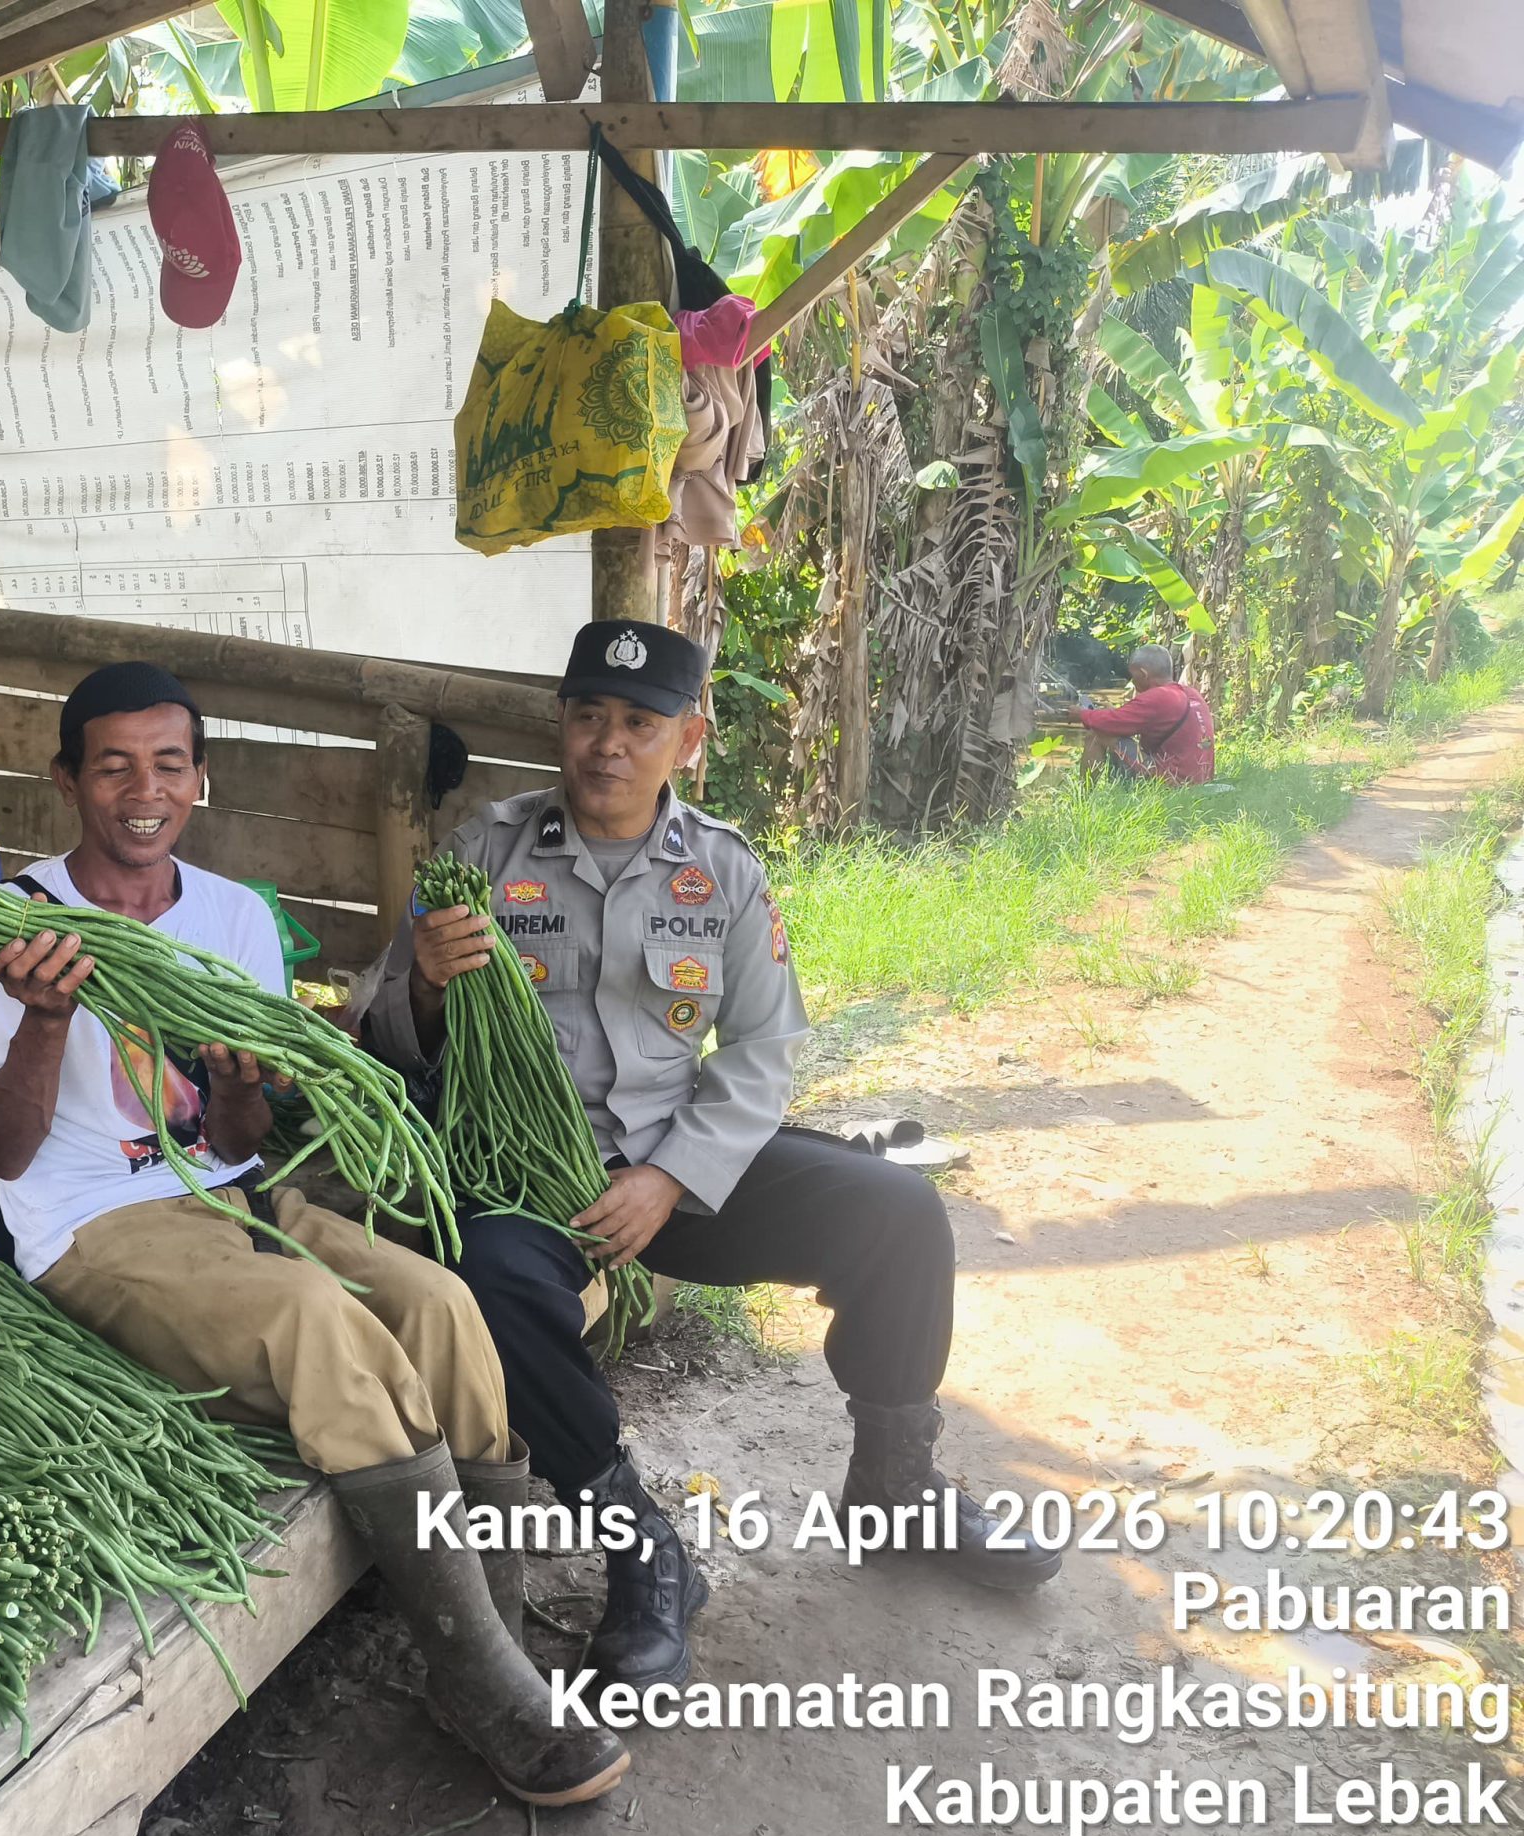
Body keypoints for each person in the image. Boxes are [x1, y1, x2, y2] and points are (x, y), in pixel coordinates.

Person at [0, 661, 628, 1809]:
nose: (143, 790)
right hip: (89, 1223)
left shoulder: (230, 917)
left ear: (199, 778)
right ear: (66, 779)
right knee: (321, 1321)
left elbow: (239, 1138)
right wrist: (45, 1020)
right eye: (113, 767)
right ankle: (479, 1676)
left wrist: (236, 1086)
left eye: (168, 764)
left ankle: (495, 1639)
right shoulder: (15, 927)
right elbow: (4, 1152)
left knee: (442, 1303)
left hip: (231, 1193)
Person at [366, 619, 1062, 1691]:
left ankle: (895, 1483)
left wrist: (670, 1177)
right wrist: (420, 984)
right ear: (561, 724)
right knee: (490, 1281)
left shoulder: (721, 870)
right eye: (589, 716)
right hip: (527, 1183)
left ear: (687, 741)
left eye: (639, 724)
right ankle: (641, 1548)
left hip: (677, 1169)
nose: (608, 744)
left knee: (898, 1212)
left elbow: (763, 1049)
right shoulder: (482, 854)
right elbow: (381, 1034)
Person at [1073, 642, 1215, 784]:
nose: (1133, 681)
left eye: (1133, 676)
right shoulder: (1191, 693)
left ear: (1143, 673)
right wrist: (1113, 715)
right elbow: (1124, 721)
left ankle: (1084, 794)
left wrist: (1081, 714)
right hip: (1200, 779)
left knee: (1097, 733)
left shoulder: (1157, 697)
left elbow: (1112, 723)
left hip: (1174, 781)